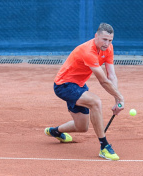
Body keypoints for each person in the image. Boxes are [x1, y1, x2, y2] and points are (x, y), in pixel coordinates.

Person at [44, 23, 124, 161]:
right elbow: (103, 80)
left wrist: (117, 99)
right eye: (104, 39)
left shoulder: (108, 49)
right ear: (96, 36)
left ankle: (55, 131)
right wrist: (120, 97)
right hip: (64, 85)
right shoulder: (88, 50)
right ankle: (104, 147)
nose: (107, 43)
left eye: (110, 40)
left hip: (78, 86)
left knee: (81, 127)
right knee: (95, 102)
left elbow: (111, 75)